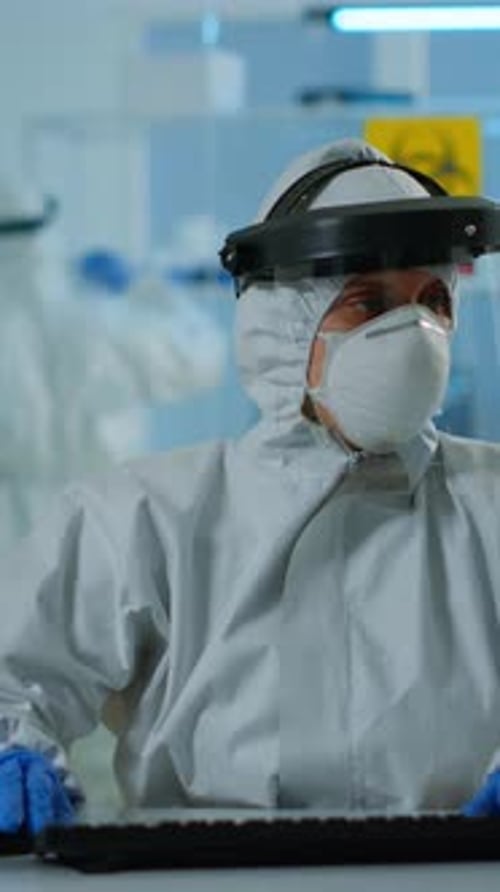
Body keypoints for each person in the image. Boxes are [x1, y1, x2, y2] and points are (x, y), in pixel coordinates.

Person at [1, 137, 500, 835]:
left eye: (433, 299)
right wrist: (13, 755)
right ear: (287, 325)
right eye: (367, 301)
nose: (414, 333)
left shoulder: (492, 503)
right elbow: (14, 678)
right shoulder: (146, 518)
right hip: (200, 879)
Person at [0, 177, 226, 556]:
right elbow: (203, 356)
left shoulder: (86, 315)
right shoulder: (101, 320)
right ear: (48, 227)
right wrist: (147, 289)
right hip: (98, 517)